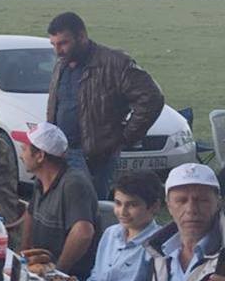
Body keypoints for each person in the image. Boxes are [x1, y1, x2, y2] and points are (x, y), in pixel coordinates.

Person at [46, 12, 164, 200]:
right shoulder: (61, 64)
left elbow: (151, 98)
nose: (57, 50)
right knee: (68, 207)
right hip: (61, 151)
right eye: (53, 44)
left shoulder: (115, 63)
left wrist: (125, 137)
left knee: (94, 208)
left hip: (93, 156)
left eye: (63, 43)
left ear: (82, 36)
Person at [19, 122, 98, 279]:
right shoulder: (40, 180)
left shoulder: (74, 183)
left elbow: (83, 232)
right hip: (38, 269)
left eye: (24, 150)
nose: (22, 156)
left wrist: (59, 272)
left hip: (69, 279)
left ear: (40, 156)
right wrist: (22, 257)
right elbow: (30, 214)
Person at [79, 171, 162, 281]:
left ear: (154, 206)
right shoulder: (111, 233)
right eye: (118, 203)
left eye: (132, 205)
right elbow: (95, 279)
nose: (122, 212)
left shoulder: (157, 245)